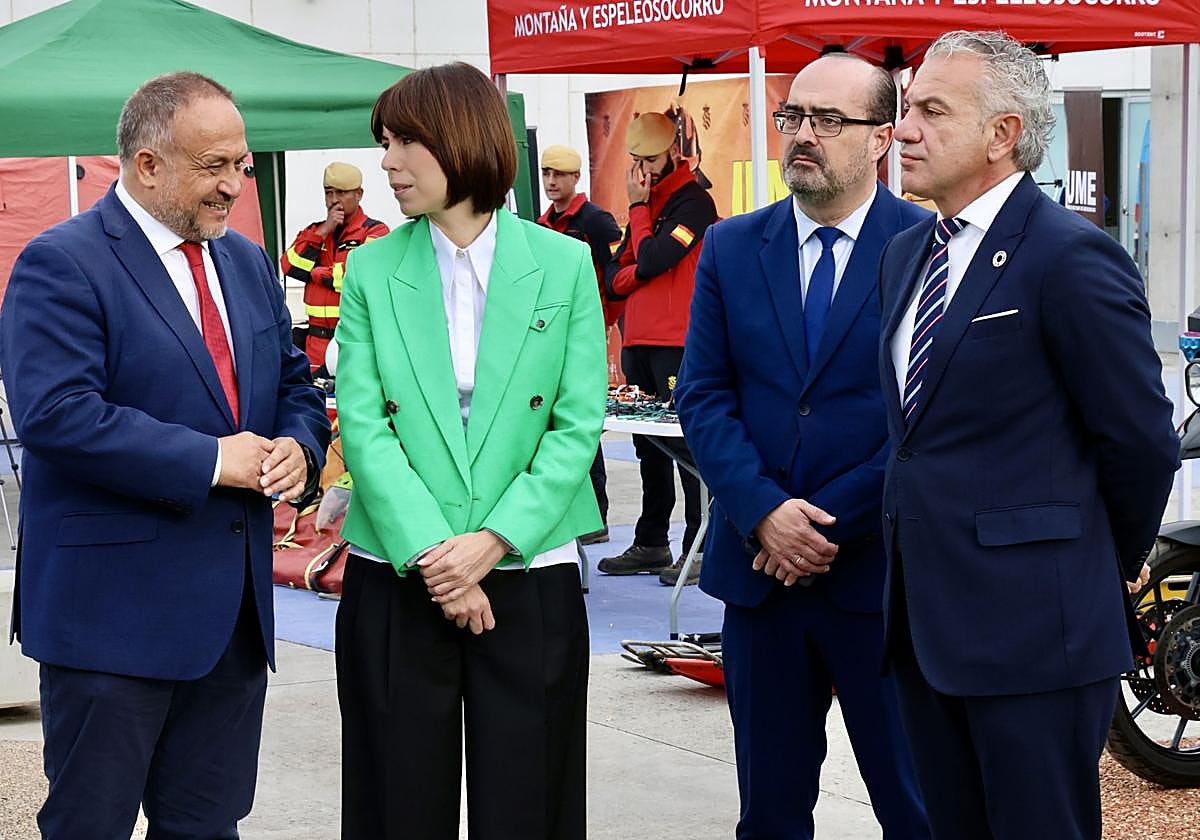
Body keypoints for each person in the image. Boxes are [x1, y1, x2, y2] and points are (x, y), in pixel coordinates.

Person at [0, 72, 330, 838]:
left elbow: (293, 385)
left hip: (231, 626)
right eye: (214, 167)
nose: (233, 186)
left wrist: (296, 448)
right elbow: (57, 415)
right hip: (110, 623)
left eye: (242, 165)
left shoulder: (246, 262)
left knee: (208, 828)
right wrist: (216, 461)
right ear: (145, 165)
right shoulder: (63, 262)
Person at [880, 30, 1178, 838]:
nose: (903, 128)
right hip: (922, 624)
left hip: (1035, 631)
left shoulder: (1071, 257)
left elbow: (1140, 441)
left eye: (932, 111)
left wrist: (1094, 565)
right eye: (908, 108)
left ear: (1002, 133)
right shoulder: (908, 253)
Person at [334, 63, 607, 840]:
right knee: (396, 803)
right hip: (398, 567)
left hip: (527, 566)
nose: (387, 161)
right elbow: (365, 425)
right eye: (384, 143)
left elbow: (575, 423)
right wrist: (436, 557)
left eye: (403, 142)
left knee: (532, 802)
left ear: (459, 140)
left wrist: (490, 544)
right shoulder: (371, 269)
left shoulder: (563, 264)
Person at [675, 54, 931, 839]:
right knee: (771, 813)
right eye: (794, 117)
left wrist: (816, 524)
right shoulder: (729, 246)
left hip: (881, 583)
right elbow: (704, 396)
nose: (803, 137)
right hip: (762, 582)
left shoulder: (928, 246)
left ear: (882, 137)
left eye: (829, 121)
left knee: (915, 809)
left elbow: (926, 417)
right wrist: (762, 512)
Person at [600, 111, 718, 585]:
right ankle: (651, 542)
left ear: (672, 152)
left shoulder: (693, 203)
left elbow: (650, 258)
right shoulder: (646, 205)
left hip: (677, 342)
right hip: (640, 342)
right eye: (635, 160)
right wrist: (639, 266)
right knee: (648, 448)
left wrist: (638, 210)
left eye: (649, 159)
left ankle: (699, 545)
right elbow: (618, 272)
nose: (642, 170)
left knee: (688, 447)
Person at [536, 143, 622, 545]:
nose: (551, 182)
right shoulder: (541, 223)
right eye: (546, 174)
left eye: (559, 174)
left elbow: (614, 278)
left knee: (585, 423)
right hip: (548, 339)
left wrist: (603, 326)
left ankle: (597, 515)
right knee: (557, 424)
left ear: (576, 178)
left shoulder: (596, 222)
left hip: (587, 336)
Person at [282, 161, 390, 367]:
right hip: (314, 343)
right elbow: (289, 265)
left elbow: (357, 275)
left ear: (359, 194)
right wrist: (324, 230)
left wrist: (313, 273)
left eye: (341, 193)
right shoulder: (315, 231)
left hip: (353, 340)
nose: (333, 200)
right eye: (328, 193)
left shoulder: (375, 231)